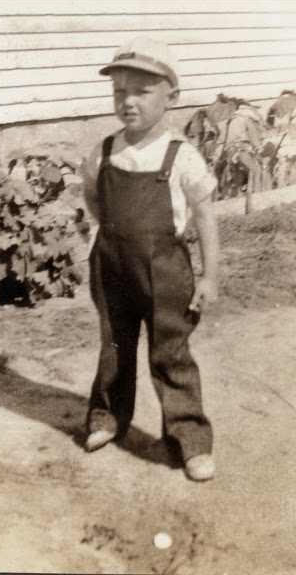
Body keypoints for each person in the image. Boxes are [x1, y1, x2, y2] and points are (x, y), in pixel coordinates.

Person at [81, 36, 219, 481]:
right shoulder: (105, 151)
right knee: (114, 348)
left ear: (170, 98)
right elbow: (94, 198)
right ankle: (107, 418)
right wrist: (114, 234)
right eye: (119, 91)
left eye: (141, 92)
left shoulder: (182, 157)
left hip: (165, 273)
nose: (128, 101)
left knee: (170, 353)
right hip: (112, 268)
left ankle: (189, 441)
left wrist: (210, 276)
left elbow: (205, 216)